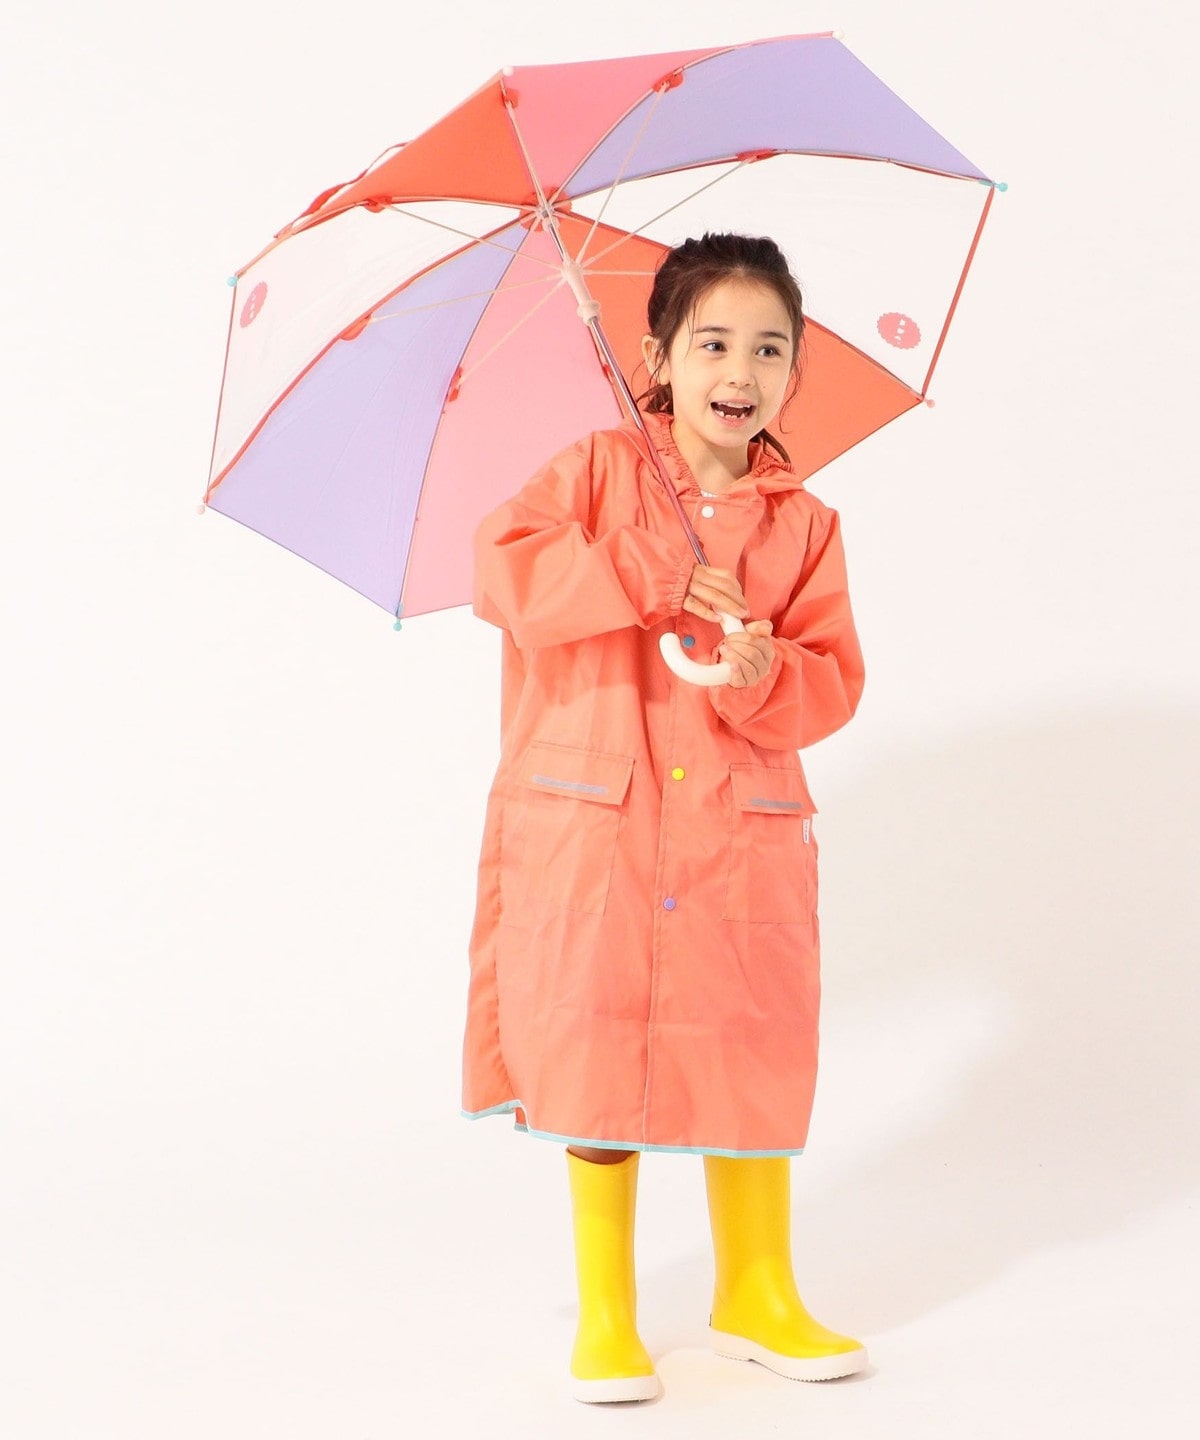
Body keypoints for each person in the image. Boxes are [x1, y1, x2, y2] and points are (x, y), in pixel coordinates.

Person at [462, 233, 867, 1403]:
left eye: (770, 349)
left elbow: (833, 679)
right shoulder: (592, 474)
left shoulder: (806, 525)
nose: (741, 371)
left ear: (795, 371)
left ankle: (757, 1292)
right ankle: (608, 1313)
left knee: (750, 1039)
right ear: (658, 359)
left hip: (740, 830)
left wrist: (761, 674)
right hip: (602, 824)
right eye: (713, 344)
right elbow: (504, 574)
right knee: (597, 1041)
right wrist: (649, 567)